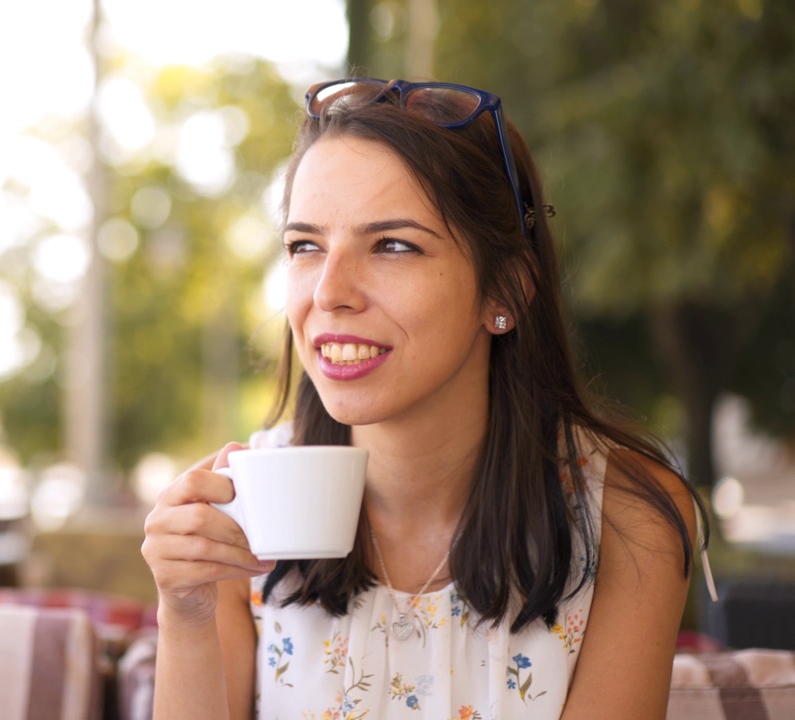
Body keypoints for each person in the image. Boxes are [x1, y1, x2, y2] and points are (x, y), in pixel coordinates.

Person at [141, 77, 709, 720]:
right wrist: (184, 612)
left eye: (392, 245)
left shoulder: (628, 522)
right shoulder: (241, 503)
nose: (329, 293)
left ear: (505, 292)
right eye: (306, 245)